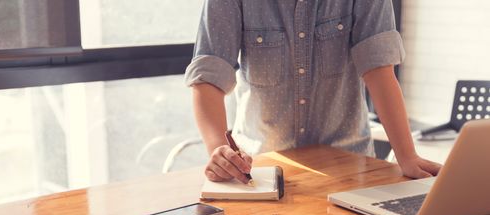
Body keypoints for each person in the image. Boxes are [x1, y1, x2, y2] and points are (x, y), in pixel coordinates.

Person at [184, 0, 442, 184]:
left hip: (350, 167)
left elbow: (379, 69)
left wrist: (407, 156)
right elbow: (208, 77)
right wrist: (219, 150)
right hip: (261, 170)